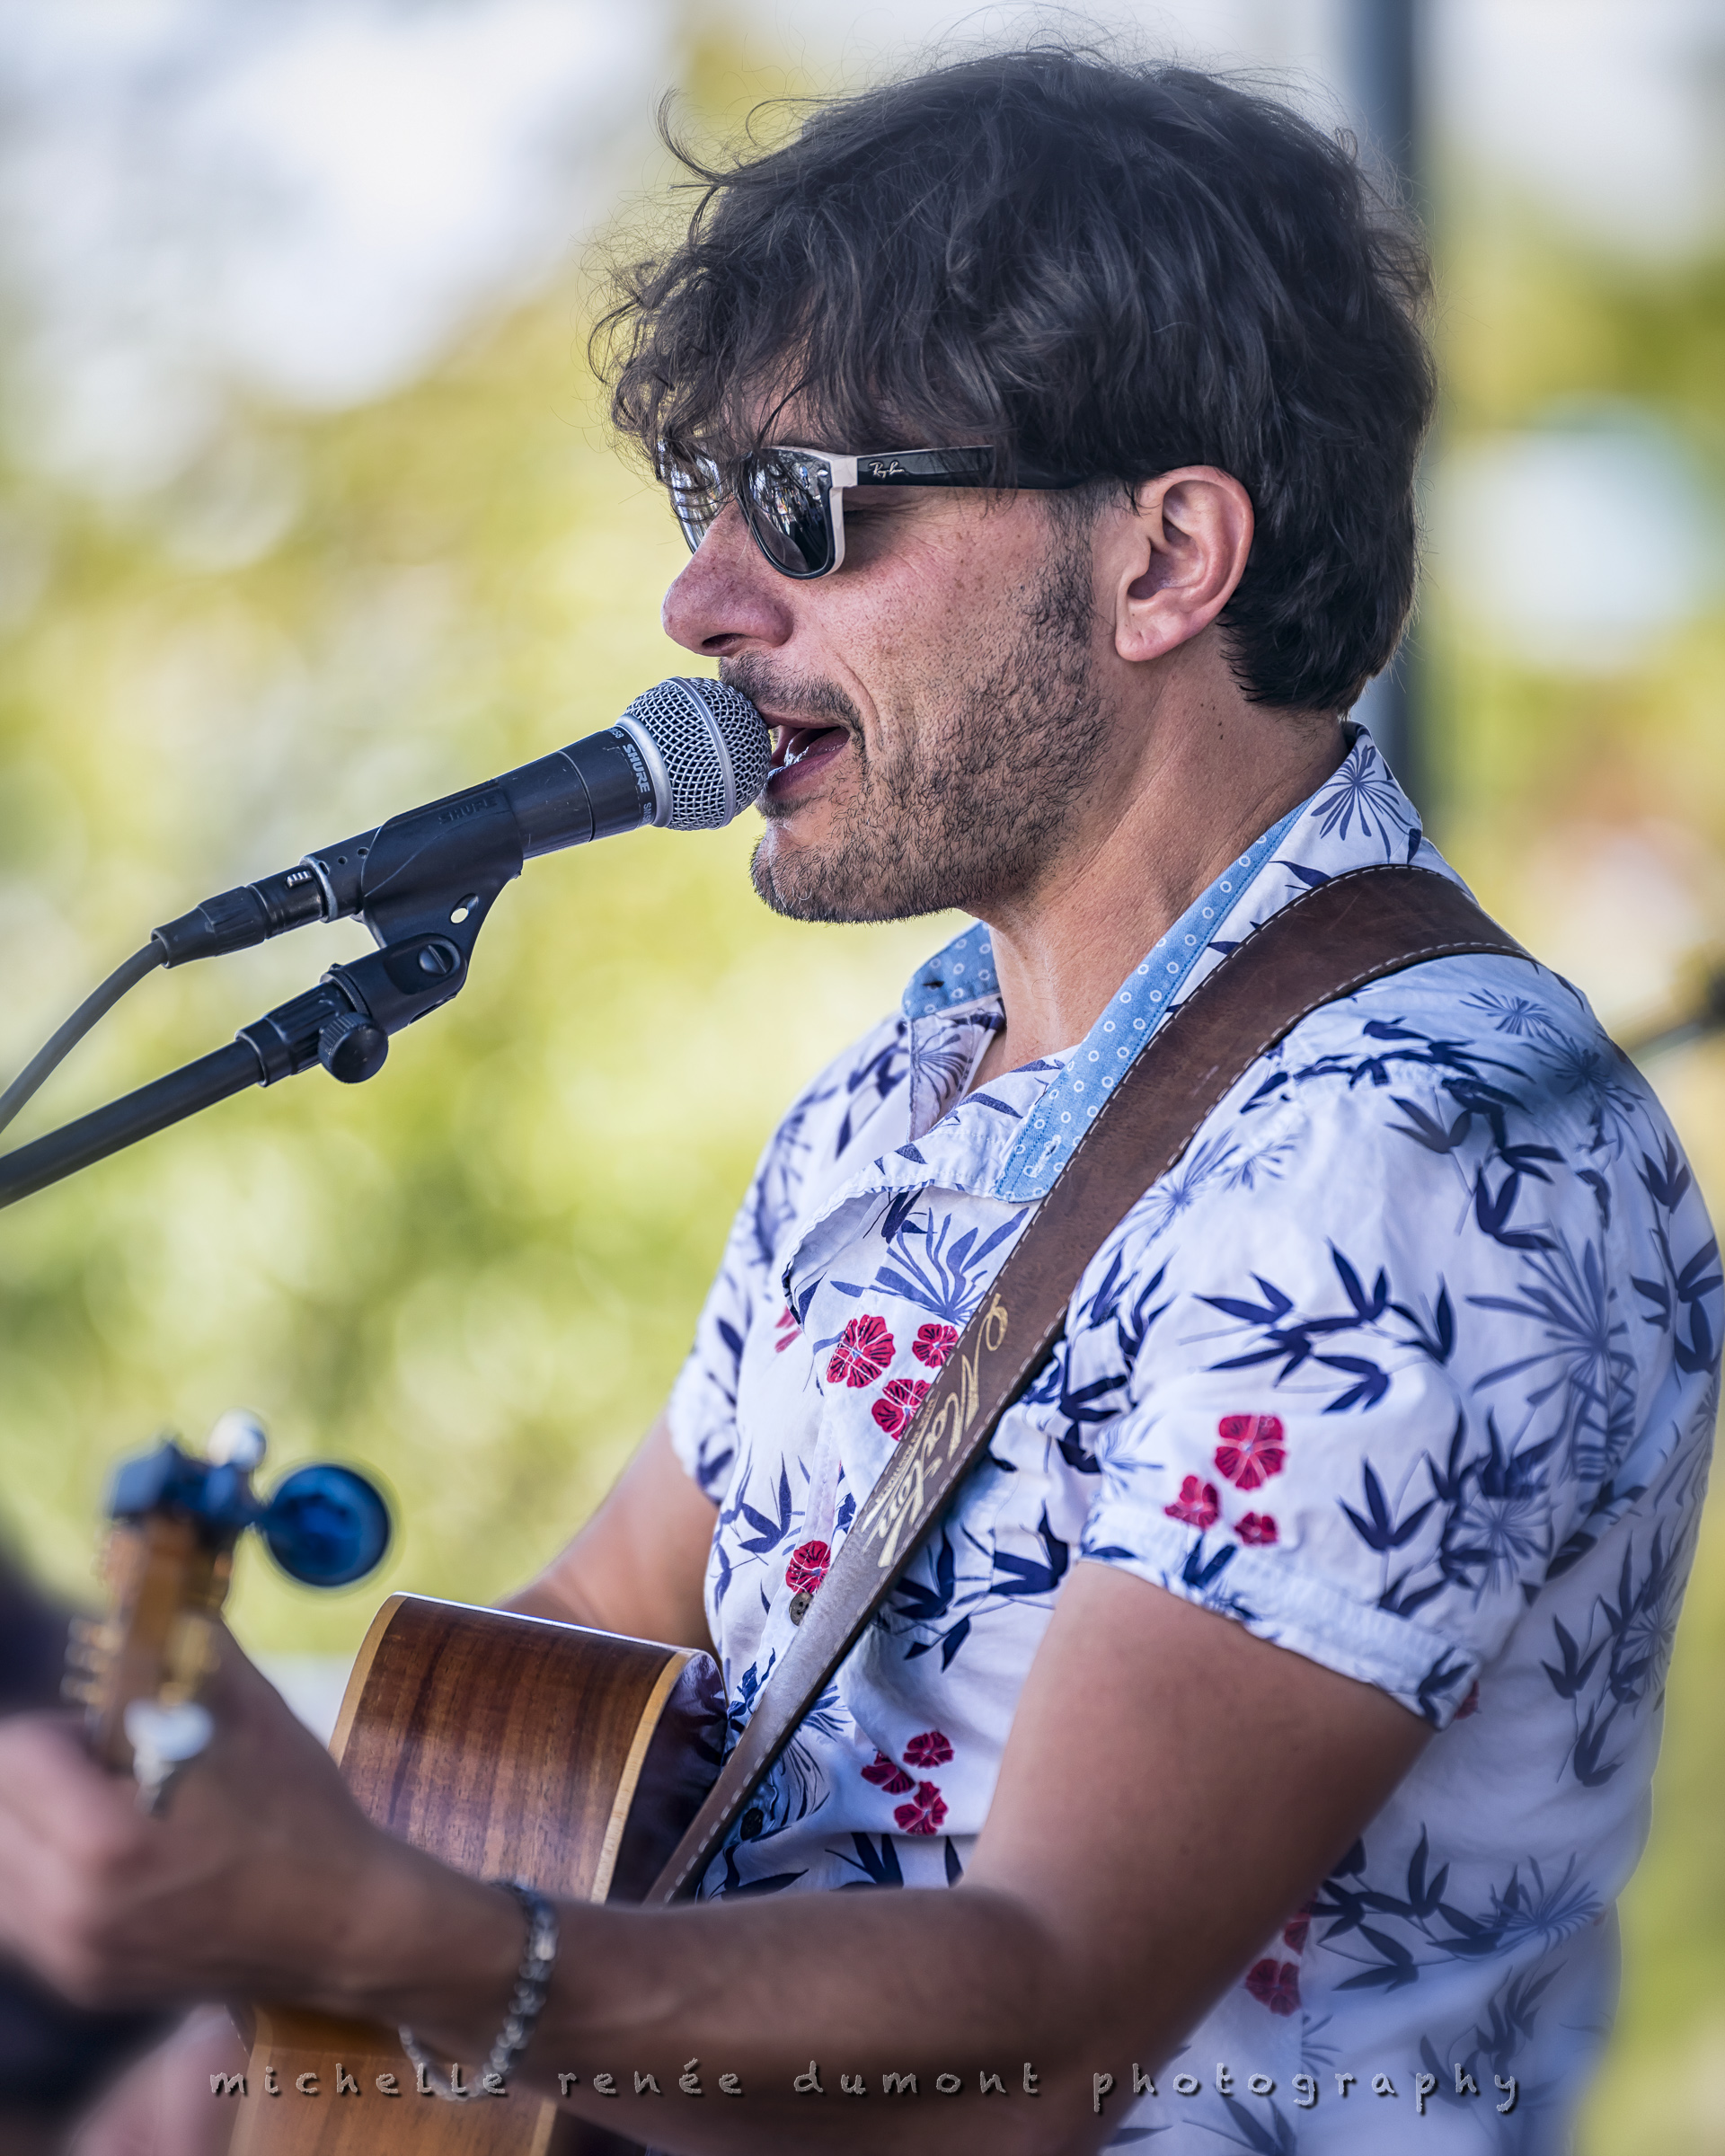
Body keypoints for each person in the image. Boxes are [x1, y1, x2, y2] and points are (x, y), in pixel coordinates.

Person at [0, 47, 1715, 2156]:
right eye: (701, 505)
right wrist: (236, 2024)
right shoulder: (910, 1088)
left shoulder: (1419, 1149)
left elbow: (1035, 2043)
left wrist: (392, 1942)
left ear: (1165, 560)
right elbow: (565, 1662)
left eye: (805, 507)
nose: (699, 606)